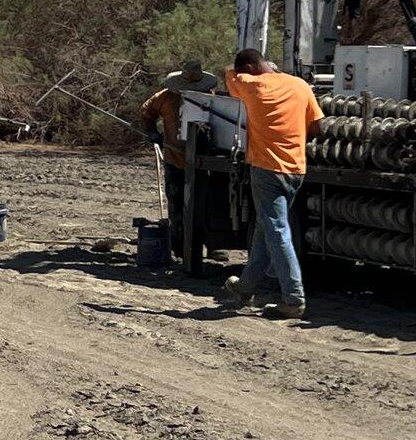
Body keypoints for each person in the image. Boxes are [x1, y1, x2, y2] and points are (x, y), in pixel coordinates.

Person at [222, 46, 321, 319]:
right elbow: (317, 127)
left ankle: (293, 298)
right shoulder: (300, 86)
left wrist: (236, 71)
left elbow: (227, 74)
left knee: (277, 231)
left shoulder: (250, 84)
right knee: (265, 229)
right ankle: (245, 287)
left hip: (267, 169)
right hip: (296, 169)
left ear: (250, 68)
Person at [135, 64, 204, 248]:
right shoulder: (166, 97)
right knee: (176, 202)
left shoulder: (209, 97)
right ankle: (177, 243)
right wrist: (152, 133)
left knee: (202, 205)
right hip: (175, 158)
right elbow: (146, 111)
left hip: (202, 163)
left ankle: (203, 245)